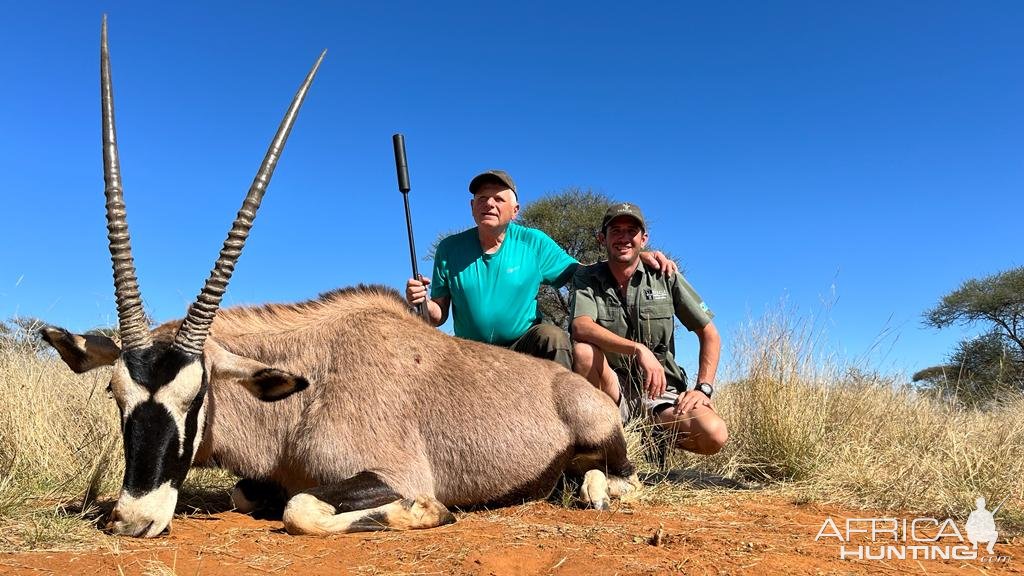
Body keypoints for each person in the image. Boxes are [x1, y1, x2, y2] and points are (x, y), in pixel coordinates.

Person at [405, 170, 675, 370]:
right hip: (469, 348)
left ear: (515, 210)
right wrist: (422, 302)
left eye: (499, 199)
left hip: (523, 340)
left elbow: (583, 272)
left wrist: (633, 258)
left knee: (554, 338)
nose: (489, 203)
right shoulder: (449, 248)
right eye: (482, 198)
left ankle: (568, 425)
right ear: (472, 207)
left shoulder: (533, 242)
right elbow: (438, 315)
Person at [570, 202, 727, 455]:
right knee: (584, 352)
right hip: (611, 389)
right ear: (603, 238)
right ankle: (601, 446)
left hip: (660, 391)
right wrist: (638, 350)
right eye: (615, 231)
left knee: (714, 435)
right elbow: (580, 327)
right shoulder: (586, 277)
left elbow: (710, 334)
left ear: (644, 239)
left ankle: (655, 436)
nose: (623, 238)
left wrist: (703, 389)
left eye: (631, 231)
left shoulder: (666, 275)